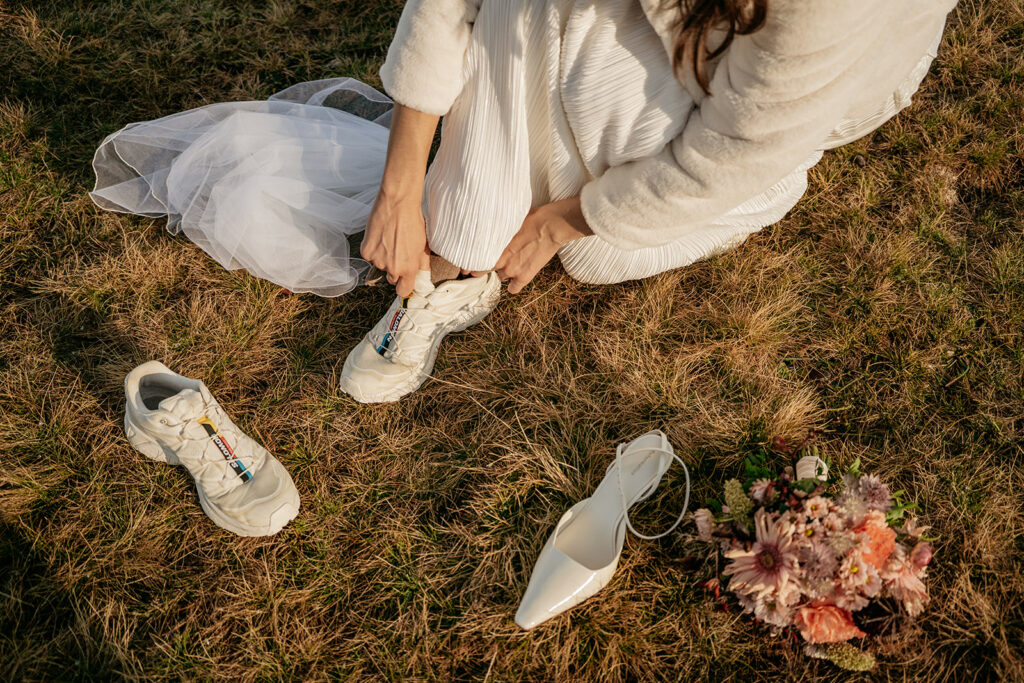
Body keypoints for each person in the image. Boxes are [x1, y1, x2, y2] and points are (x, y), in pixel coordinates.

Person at [338, 0, 957, 402]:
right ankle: (458, 257)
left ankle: (766, 192)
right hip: (681, 21)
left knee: (596, 251)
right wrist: (402, 188)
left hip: (783, 92)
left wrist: (566, 221)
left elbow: (735, 148)